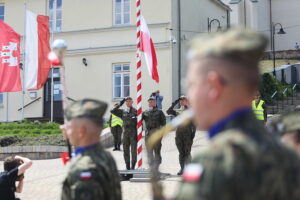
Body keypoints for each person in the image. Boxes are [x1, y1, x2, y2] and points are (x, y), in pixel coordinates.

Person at [175, 28, 300, 200]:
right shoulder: (289, 158)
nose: (190, 95)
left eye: (191, 85)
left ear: (214, 86)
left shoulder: (215, 163)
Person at [60, 99, 122, 200]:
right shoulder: (105, 155)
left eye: (69, 127)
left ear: (81, 131)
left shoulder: (84, 168)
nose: (64, 130)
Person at [166, 95, 196, 175]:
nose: (182, 101)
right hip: (179, 135)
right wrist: (176, 101)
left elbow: (194, 124)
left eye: (184, 100)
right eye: (181, 100)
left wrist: (193, 135)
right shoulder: (177, 111)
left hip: (188, 134)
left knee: (187, 152)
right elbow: (168, 111)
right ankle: (182, 169)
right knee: (181, 153)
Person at [111, 97, 137, 170]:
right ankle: (127, 166)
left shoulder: (136, 111)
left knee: (133, 150)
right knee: (125, 150)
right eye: (127, 101)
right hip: (125, 133)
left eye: (129, 101)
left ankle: (133, 166)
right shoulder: (123, 111)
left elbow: (139, 123)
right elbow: (112, 111)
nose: (128, 102)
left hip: (133, 133)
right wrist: (120, 104)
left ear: (132, 102)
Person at [142, 96, 166, 170]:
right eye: (149, 101)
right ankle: (151, 166)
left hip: (156, 132)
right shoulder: (145, 112)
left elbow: (163, 123)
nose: (150, 102)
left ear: (155, 102)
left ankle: (157, 166)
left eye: (152, 101)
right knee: (149, 151)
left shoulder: (159, 112)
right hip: (148, 133)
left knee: (157, 150)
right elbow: (139, 120)